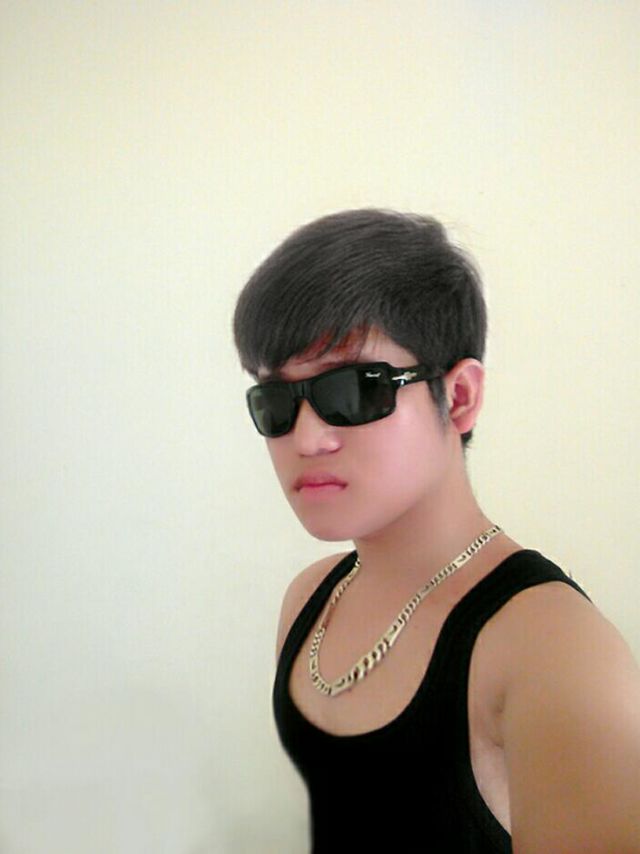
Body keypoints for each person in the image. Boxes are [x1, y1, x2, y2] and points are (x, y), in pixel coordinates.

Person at [233, 209, 640, 853]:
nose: (307, 439)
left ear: (459, 396)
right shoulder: (311, 599)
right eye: (276, 401)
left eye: (355, 390)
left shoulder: (554, 650)